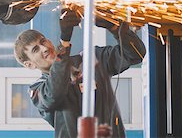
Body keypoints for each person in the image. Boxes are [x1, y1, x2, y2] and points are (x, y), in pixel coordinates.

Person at [13, 9, 146, 138]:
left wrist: (116, 29)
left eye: (43, 41)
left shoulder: (91, 59)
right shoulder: (38, 91)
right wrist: (64, 43)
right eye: (36, 49)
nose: (45, 48)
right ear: (29, 65)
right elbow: (55, 92)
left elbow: (135, 55)